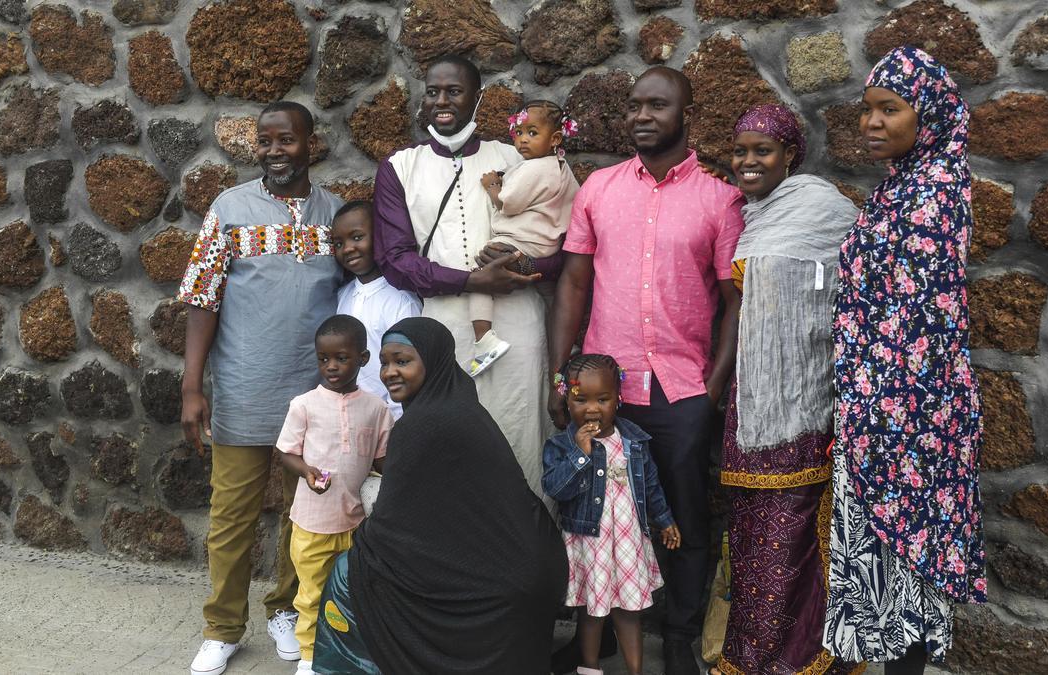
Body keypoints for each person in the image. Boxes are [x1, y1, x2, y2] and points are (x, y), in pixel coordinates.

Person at [549, 66, 745, 675]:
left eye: (656, 106)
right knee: (593, 513)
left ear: (686, 114)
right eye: (634, 106)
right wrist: (562, 377)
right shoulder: (599, 188)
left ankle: (680, 634)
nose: (641, 116)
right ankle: (597, 634)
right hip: (602, 391)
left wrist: (712, 387)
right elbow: (574, 282)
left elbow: (733, 296)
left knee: (682, 513)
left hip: (681, 389)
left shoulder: (720, 197)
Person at [825, 46, 986, 675]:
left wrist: (880, 408)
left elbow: (922, 314)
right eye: (867, 110)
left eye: (889, 109)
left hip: (909, 416)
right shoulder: (902, 183)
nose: (871, 122)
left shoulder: (936, 188)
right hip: (879, 405)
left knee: (907, 566)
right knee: (885, 569)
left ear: (931, 112)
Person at [179, 101, 343, 675]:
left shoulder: (335, 214)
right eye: (266, 142)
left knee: (308, 513)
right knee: (232, 516)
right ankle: (222, 627)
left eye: (287, 140)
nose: (275, 151)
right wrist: (191, 387)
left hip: (315, 396)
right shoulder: (230, 208)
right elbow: (203, 299)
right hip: (245, 387)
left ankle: (286, 611)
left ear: (310, 143)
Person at [309, 317, 568, 675]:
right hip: (529, 571)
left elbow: (389, 532)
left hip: (498, 583)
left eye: (402, 361)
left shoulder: (422, 425)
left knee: (349, 572)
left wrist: (362, 538)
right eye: (385, 362)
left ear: (434, 361)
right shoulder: (462, 406)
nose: (389, 372)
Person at [711, 105, 860, 675]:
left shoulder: (823, 211)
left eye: (762, 151)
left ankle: (795, 659)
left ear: (791, 155)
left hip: (801, 409)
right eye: (740, 150)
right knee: (751, 537)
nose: (748, 161)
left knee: (791, 535)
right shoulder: (755, 216)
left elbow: (850, 301)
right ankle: (750, 655)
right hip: (751, 409)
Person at [372, 54, 556, 495]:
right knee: (449, 443)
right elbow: (395, 259)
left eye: (453, 90)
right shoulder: (400, 167)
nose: (442, 101)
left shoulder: (515, 158)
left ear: (478, 97)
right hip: (441, 331)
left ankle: (526, 553)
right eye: (433, 92)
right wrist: (472, 281)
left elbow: (561, 237)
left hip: (517, 323)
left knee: (521, 433)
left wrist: (523, 268)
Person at [543, 354, 682, 675]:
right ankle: (589, 669)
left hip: (628, 541)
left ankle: (635, 671)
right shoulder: (561, 447)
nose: (592, 409)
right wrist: (581, 455)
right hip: (591, 546)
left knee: (629, 613)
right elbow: (555, 488)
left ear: (618, 400)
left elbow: (650, 485)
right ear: (566, 399)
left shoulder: (633, 441)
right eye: (580, 400)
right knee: (592, 614)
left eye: (603, 399)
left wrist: (665, 520)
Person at [276, 315, 392, 673]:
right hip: (312, 523)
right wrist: (306, 471)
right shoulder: (304, 404)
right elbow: (285, 452)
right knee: (311, 594)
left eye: (341, 358)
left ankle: (347, 653)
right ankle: (309, 658)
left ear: (363, 358)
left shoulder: (377, 409)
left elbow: (385, 462)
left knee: (352, 593)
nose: (331, 366)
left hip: (355, 523)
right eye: (323, 359)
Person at [470, 100, 580, 375]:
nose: (523, 140)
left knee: (480, 278)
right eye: (518, 133)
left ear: (555, 138)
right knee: (549, 297)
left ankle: (484, 340)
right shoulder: (561, 168)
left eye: (532, 133)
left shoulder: (534, 168)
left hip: (518, 243)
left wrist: (494, 186)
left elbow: (508, 203)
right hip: (546, 246)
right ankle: (569, 347)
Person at [331, 200, 423, 416]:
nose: (348, 248)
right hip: (348, 418)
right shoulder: (342, 296)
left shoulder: (401, 300)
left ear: (381, 236)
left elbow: (409, 368)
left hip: (391, 419)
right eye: (338, 243)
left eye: (357, 237)